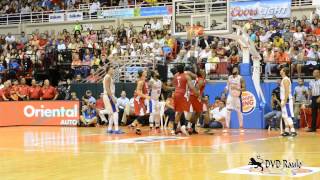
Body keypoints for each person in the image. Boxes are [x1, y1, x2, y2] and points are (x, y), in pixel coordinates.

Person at [172, 64, 199, 136]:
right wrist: (197, 93)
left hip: (176, 93)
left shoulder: (175, 76)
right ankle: (185, 126)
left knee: (179, 112)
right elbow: (191, 87)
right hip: (183, 94)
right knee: (190, 110)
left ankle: (174, 129)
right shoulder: (186, 76)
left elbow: (174, 84)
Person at [103, 66, 123, 134]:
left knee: (112, 112)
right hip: (109, 96)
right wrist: (112, 97)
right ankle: (117, 129)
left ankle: (109, 129)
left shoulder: (109, 77)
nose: (113, 70)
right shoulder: (108, 77)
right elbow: (107, 88)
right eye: (111, 69)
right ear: (108, 70)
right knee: (115, 112)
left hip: (109, 95)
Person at [225, 66, 246, 133]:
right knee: (228, 111)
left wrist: (237, 88)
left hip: (237, 97)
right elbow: (227, 86)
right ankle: (227, 126)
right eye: (233, 69)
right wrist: (225, 90)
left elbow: (244, 89)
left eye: (235, 69)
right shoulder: (229, 77)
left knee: (239, 112)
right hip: (230, 96)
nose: (234, 70)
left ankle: (241, 126)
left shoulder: (241, 78)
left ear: (238, 70)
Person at [280, 67, 297, 136]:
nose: (280, 71)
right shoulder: (284, 79)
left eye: (281, 70)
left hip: (286, 100)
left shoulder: (286, 79)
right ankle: (287, 130)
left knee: (288, 115)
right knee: (284, 116)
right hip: (284, 99)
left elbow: (287, 91)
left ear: (284, 72)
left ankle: (293, 131)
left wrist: (285, 100)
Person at [189, 69, 206, 134]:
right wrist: (200, 97)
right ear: (201, 73)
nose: (204, 71)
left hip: (194, 96)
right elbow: (196, 89)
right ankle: (189, 126)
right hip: (195, 97)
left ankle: (192, 127)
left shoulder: (198, 78)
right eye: (202, 71)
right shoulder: (201, 80)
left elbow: (190, 72)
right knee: (195, 112)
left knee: (198, 112)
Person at [133, 70, 150, 135]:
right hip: (138, 99)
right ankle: (134, 124)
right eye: (144, 71)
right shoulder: (141, 82)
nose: (146, 72)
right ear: (142, 74)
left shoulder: (144, 81)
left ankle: (137, 128)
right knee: (142, 114)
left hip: (142, 99)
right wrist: (146, 96)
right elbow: (138, 92)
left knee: (144, 114)